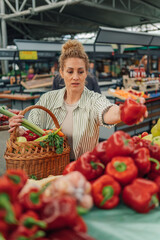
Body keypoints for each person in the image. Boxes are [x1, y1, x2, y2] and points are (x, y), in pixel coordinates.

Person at [8, 40, 146, 161]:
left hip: (84, 169)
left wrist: (124, 111)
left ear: (86, 73)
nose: (75, 77)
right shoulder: (47, 99)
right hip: (47, 168)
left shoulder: (93, 99)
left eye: (80, 72)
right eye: (70, 71)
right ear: (61, 72)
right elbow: (30, 130)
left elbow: (107, 111)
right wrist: (18, 128)